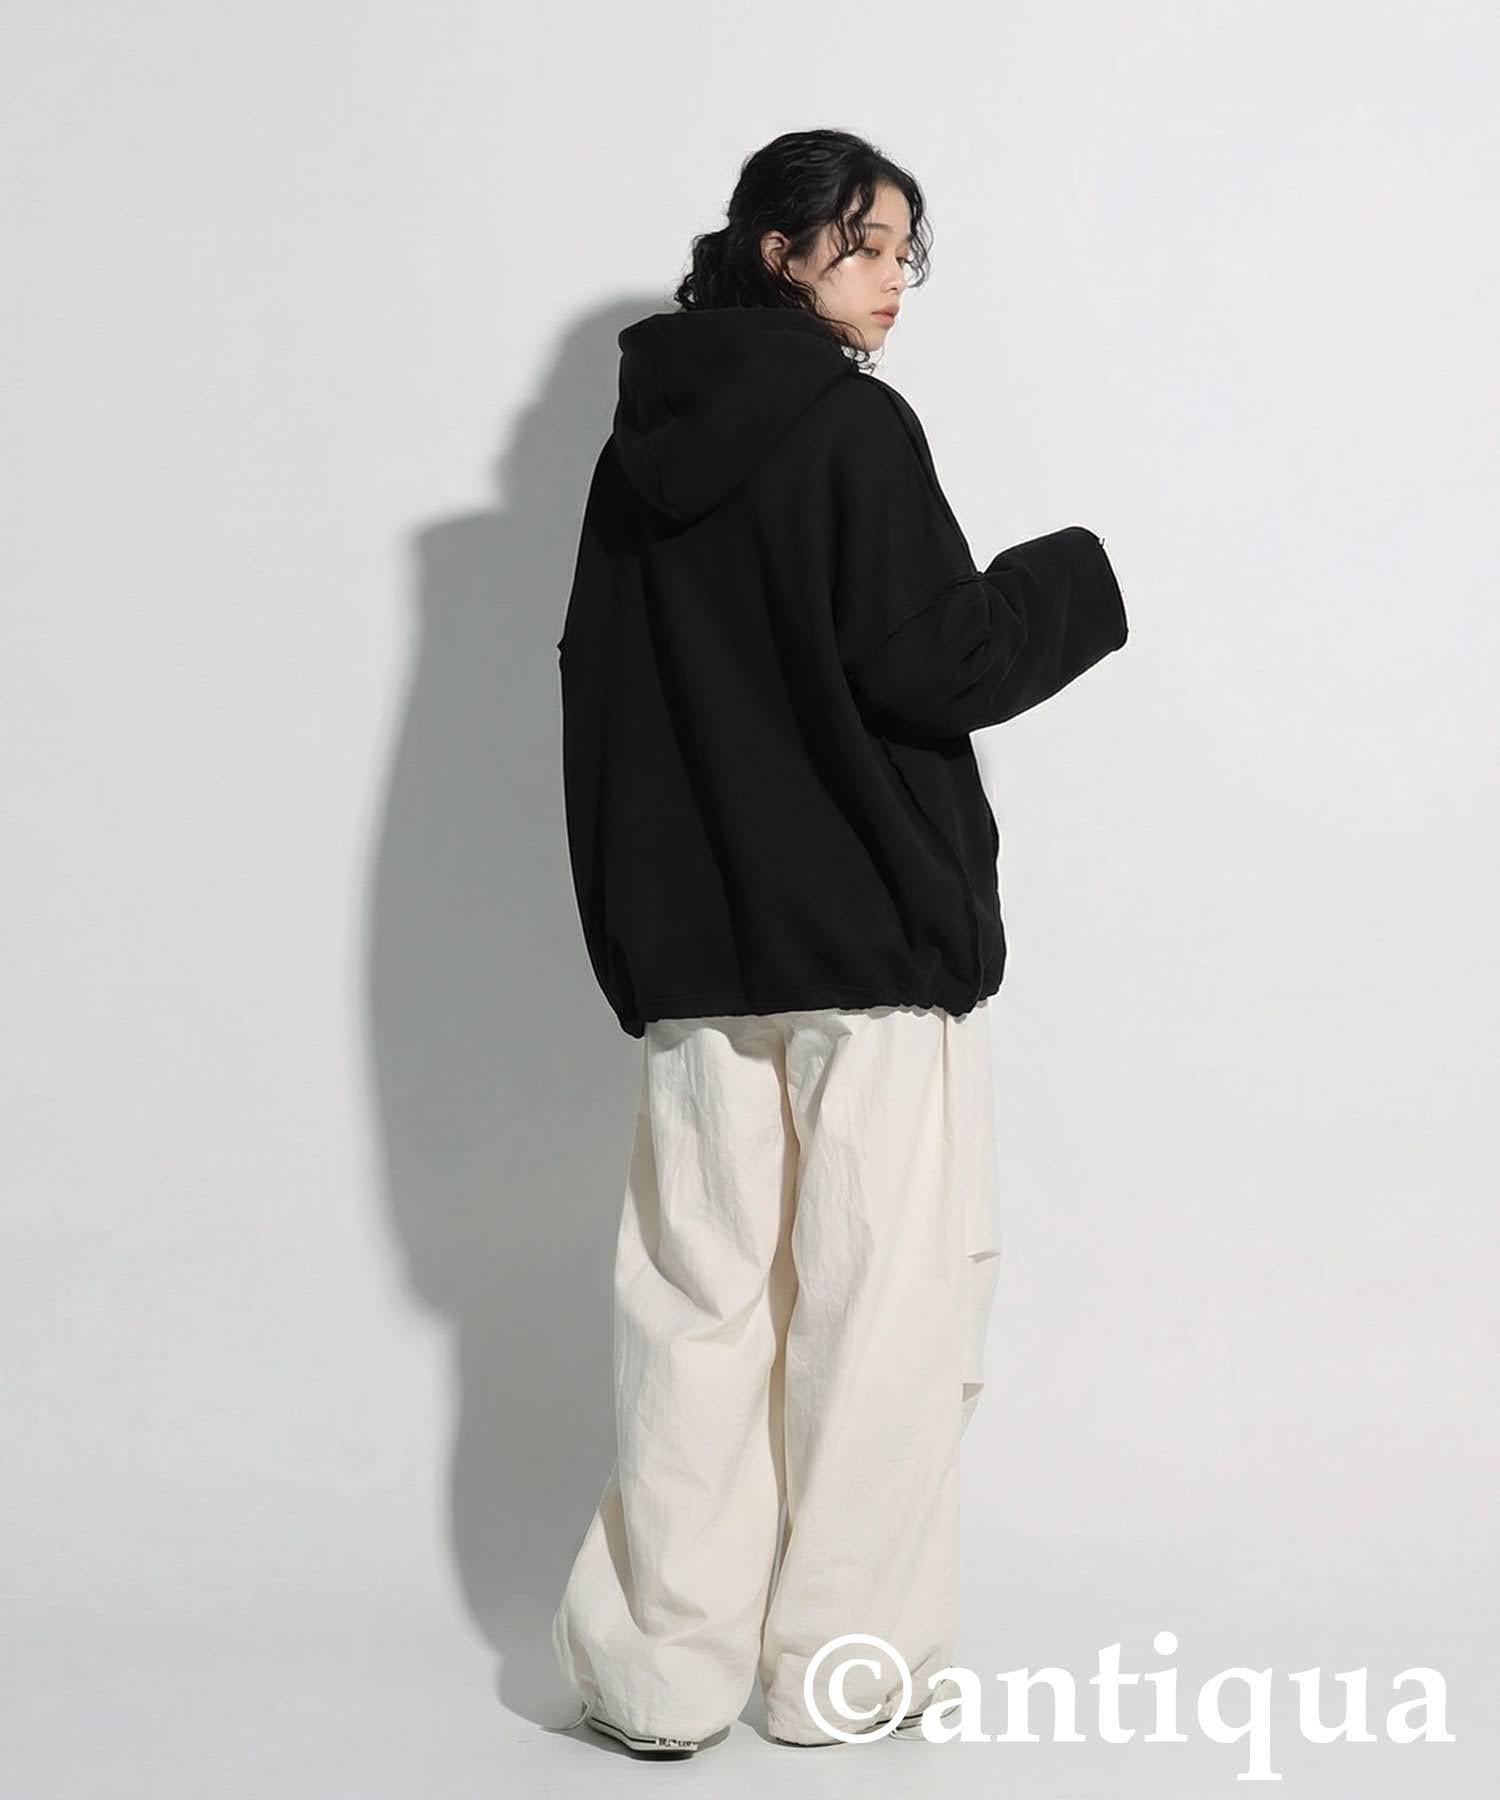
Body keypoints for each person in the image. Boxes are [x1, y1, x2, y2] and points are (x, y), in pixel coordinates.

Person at [547, 128, 1129, 1756]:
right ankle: (840, 1675)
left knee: (696, 1310)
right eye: (867, 247)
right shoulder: (850, 428)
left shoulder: (633, 453)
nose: (892, 283)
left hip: (701, 960)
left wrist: (631, 931)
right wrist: (1074, 579)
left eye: (903, 254)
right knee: (881, 1318)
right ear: (780, 250)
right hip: (868, 949)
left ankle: (658, 1675)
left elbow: (597, 686)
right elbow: (938, 663)